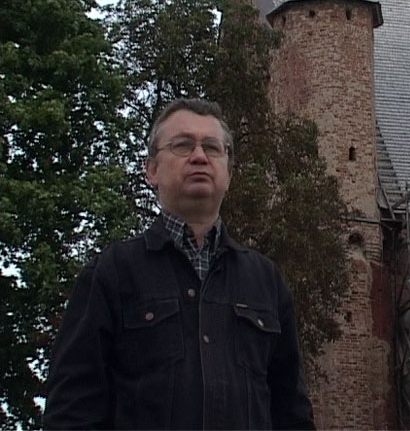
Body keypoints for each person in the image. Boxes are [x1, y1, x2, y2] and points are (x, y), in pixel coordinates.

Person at [44, 98, 315, 430]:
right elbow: (72, 411)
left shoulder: (266, 282)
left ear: (229, 174)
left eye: (212, 148)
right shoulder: (113, 272)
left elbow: (292, 412)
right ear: (152, 170)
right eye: (183, 145)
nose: (199, 156)